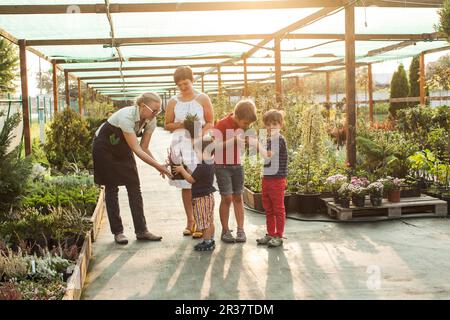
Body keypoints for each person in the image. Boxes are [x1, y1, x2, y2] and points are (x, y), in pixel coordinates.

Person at [92, 92, 172, 245]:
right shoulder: (127, 117)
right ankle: (118, 232)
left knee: (134, 186)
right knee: (112, 188)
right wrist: (158, 166)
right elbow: (137, 149)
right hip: (104, 147)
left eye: (159, 110)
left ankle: (142, 230)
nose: (156, 114)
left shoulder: (151, 121)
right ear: (142, 106)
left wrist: (160, 166)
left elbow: (144, 147)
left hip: (123, 147)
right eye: (154, 110)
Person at [164, 66, 214, 238]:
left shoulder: (202, 98)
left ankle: (203, 222)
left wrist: (198, 133)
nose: (183, 87)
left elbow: (210, 122)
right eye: (179, 85)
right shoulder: (173, 101)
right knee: (186, 184)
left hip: (201, 143)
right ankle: (190, 221)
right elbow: (167, 124)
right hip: (180, 143)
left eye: (185, 83)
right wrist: (183, 125)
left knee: (200, 182)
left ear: (192, 80)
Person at [213, 100, 257, 243]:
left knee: (238, 197)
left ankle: (240, 229)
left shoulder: (244, 126)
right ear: (237, 117)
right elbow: (215, 147)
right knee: (227, 198)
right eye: (245, 123)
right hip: (222, 166)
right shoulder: (221, 124)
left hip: (237, 164)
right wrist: (234, 141)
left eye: (249, 125)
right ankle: (225, 231)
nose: (246, 126)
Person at [172, 133, 216, 251]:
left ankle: (206, 242)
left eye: (197, 152)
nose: (196, 155)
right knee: (209, 219)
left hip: (201, 198)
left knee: (203, 221)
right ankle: (211, 239)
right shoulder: (210, 163)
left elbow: (191, 179)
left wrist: (182, 170)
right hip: (209, 196)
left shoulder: (202, 167)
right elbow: (196, 174)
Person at [253, 109, 288, 248]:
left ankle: (278, 235)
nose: (271, 126)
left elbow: (267, 155)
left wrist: (257, 144)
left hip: (277, 179)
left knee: (278, 208)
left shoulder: (279, 139)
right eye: (268, 124)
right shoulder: (269, 139)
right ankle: (271, 233)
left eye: (275, 123)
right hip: (267, 178)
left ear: (281, 124)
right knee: (268, 208)